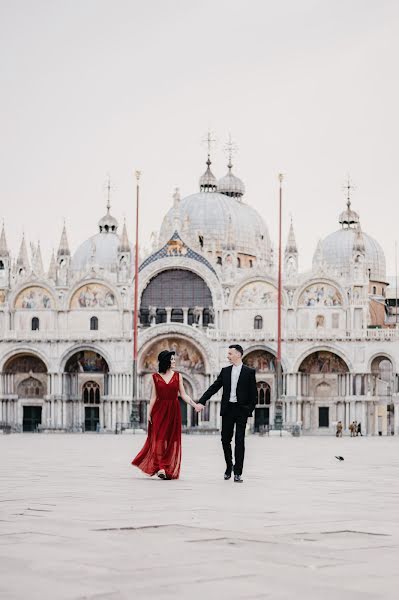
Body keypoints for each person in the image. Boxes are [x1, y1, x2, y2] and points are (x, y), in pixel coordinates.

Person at [131, 350, 202, 480]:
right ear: (166, 361)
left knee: (171, 440)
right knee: (158, 439)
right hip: (159, 410)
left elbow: (184, 395)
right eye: (172, 359)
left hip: (174, 411)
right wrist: (149, 413)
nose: (175, 361)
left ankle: (166, 467)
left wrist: (194, 405)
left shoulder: (178, 376)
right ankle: (161, 468)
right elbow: (153, 397)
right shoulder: (155, 377)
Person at [196, 344, 257, 483]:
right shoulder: (225, 371)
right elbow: (214, 387)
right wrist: (202, 401)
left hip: (241, 410)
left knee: (240, 441)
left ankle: (238, 472)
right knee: (225, 440)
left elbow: (254, 395)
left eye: (230, 353)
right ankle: (229, 466)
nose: (227, 356)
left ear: (238, 355)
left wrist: (248, 410)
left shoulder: (249, 372)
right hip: (228, 409)